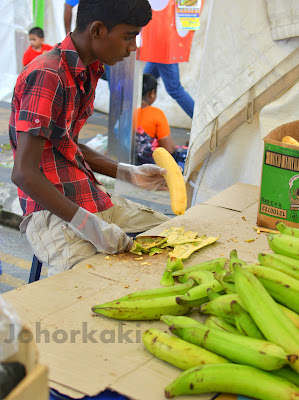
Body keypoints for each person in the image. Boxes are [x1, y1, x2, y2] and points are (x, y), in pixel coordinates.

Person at [9, 0, 169, 276]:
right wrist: (87, 225)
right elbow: (24, 173)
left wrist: (127, 173)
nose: (133, 47)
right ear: (97, 30)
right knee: (89, 286)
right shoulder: (47, 74)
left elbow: (67, 143)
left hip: (88, 194)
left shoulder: (89, 69)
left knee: (174, 233)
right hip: (52, 211)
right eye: (129, 36)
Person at [135, 73, 176, 165]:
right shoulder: (156, 114)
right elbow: (169, 149)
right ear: (152, 93)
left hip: (124, 164)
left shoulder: (126, 112)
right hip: (148, 168)